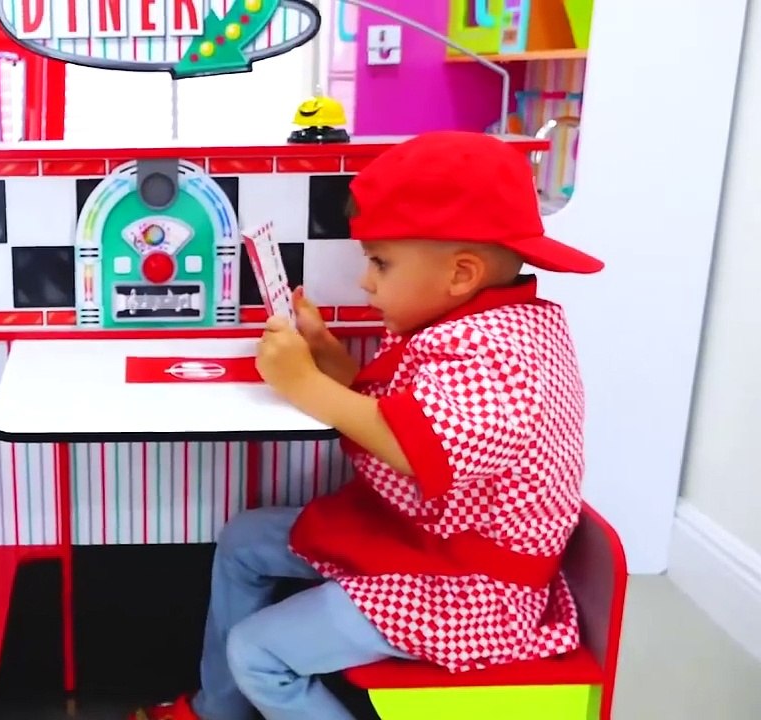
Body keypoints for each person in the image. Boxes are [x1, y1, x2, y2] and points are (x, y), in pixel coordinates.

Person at [130, 131, 604, 720]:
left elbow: (415, 443)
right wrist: (325, 354)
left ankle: (247, 694)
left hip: (466, 592)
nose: (366, 281)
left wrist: (304, 384)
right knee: (246, 541)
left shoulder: (501, 351)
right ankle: (218, 710)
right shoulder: (470, 325)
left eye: (380, 262)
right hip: (421, 540)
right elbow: (403, 412)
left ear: (461, 274)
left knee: (257, 653)